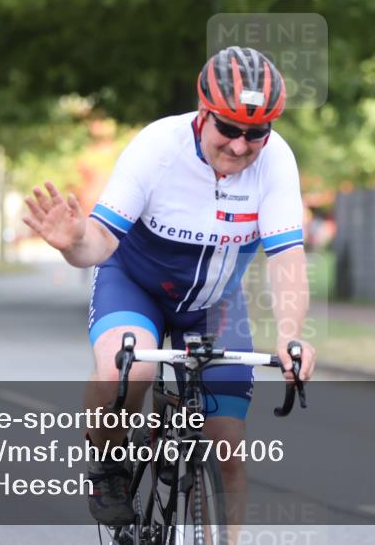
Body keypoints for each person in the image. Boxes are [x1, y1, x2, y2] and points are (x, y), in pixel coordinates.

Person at [22, 46, 316, 529]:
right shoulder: (158, 147)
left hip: (213, 303)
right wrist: (72, 243)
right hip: (136, 285)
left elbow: (286, 257)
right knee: (128, 367)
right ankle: (107, 466)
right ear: (204, 113)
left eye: (256, 133)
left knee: (228, 451)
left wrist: (290, 334)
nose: (241, 146)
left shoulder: (276, 161)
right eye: (229, 129)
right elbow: (98, 243)